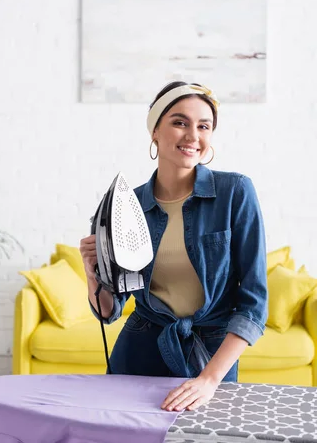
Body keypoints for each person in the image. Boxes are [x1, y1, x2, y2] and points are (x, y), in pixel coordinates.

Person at [80, 81, 267, 413]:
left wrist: (209, 380)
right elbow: (110, 310)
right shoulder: (126, 205)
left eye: (203, 126)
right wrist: (92, 272)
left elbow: (253, 302)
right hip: (139, 350)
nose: (193, 135)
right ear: (155, 131)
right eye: (180, 122)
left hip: (211, 357)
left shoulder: (235, 193)